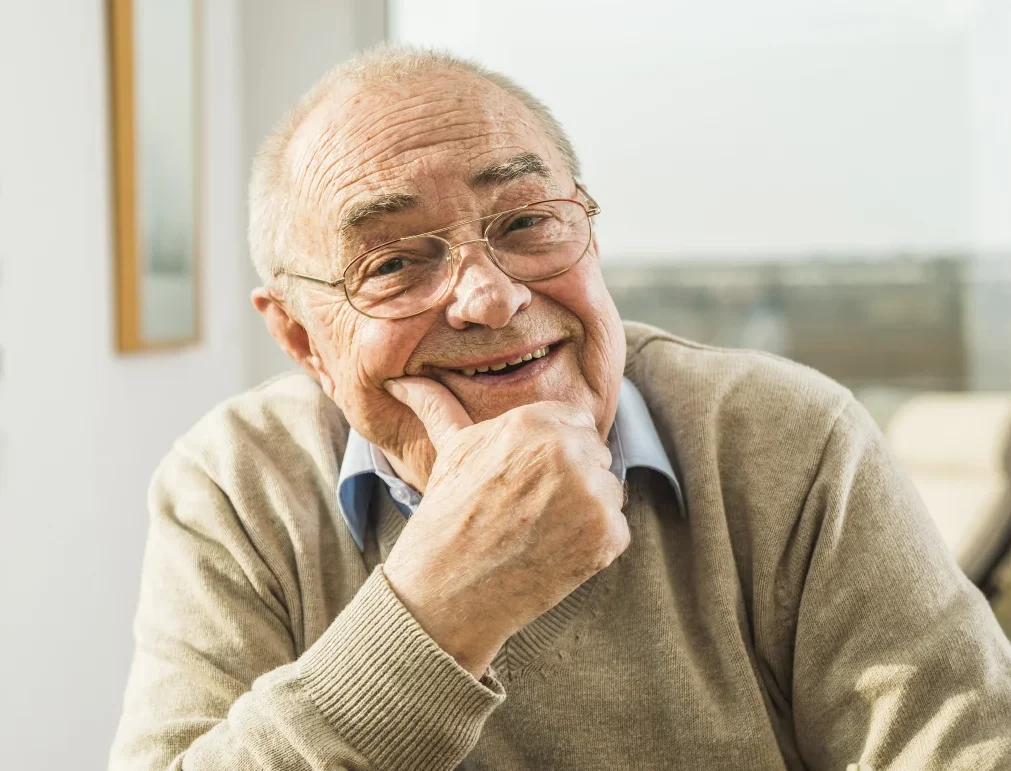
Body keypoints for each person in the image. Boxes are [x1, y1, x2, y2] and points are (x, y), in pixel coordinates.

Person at [109, 46, 1011, 771]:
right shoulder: (234, 481)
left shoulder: (789, 437)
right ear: (303, 339)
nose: (490, 298)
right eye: (391, 263)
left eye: (526, 223)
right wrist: (435, 607)